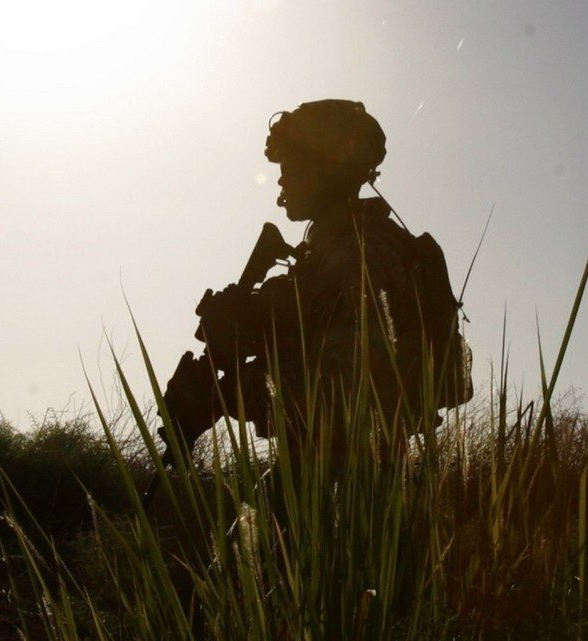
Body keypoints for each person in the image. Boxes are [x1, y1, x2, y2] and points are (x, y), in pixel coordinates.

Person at [159, 99, 471, 466]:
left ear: (325, 169)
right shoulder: (330, 250)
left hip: (359, 482)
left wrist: (225, 395)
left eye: (291, 164)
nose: (281, 177)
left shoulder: (357, 250)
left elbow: (351, 384)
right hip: (329, 465)